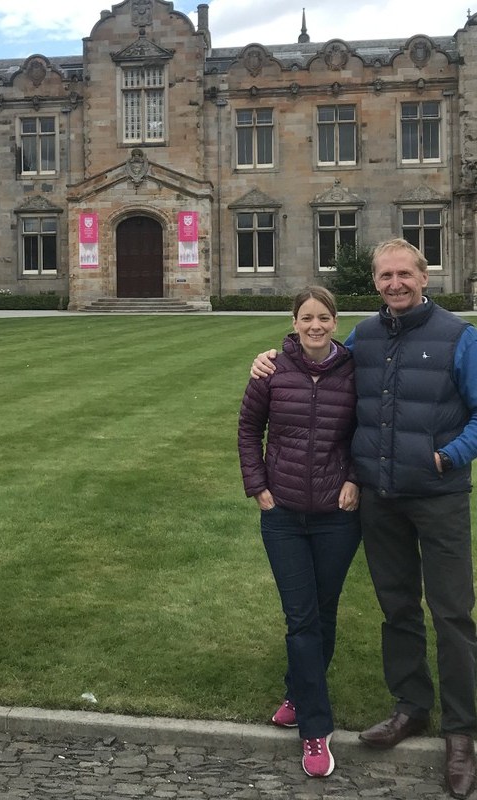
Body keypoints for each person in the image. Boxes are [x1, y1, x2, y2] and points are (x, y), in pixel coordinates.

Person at [251, 239, 477, 800]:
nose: (395, 283)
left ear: (424, 277)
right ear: (376, 282)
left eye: (405, 274)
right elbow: (317, 357)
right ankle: (410, 708)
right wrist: (273, 356)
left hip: (439, 494)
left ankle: (461, 733)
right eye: (385, 276)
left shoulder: (459, 336)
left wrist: (451, 455)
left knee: (451, 613)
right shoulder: (366, 336)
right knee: (397, 608)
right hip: (379, 498)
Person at [238, 286, 361, 778]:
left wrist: (353, 477)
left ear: (335, 322)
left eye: (324, 318)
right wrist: (258, 487)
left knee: (323, 612)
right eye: (306, 317)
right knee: (301, 617)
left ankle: (297, 690)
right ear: (293, 322)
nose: (315, 326)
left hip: (337, 514)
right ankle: (316, 728)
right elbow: (249, 430)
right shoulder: (270, 370)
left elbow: (365, 431)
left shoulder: (354, 370)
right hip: (284, 515)